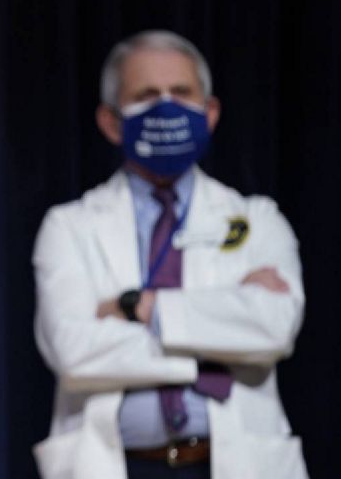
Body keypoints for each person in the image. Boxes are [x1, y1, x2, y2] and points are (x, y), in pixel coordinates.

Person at [32, 31, 307, 479]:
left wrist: (141, 307)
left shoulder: (257, 219)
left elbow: (274, 327)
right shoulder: (69, 226)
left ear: (210, 112)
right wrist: (213, 349)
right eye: (146, 95)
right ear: (111, 121)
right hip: (119, 465)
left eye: (181, 93)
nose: (166, 106)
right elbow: (72, 351)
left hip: (234, 463)